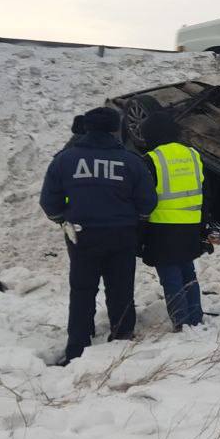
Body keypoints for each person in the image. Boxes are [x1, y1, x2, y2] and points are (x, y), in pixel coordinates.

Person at [39, 107, 157, 363]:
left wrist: (62, 219)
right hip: (122, 235)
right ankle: (122, 335)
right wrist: (136, 222)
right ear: (115, 129)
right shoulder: (131, 161)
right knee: (121, 288)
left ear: (87, 127)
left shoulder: (65, 159)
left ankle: (77, 345)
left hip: (82, 236)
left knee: (82, 290)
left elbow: (49, 201)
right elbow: (148, 202)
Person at [137, 112, 210, 330]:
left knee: (170, 277)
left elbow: (145, 199)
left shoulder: (151, 159)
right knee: (188, 272)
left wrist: (139, 232)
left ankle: (181, 323)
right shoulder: (193, 155)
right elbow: (206, 192)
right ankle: (195, 318)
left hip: (162, 227)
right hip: (190, 224)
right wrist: (203, 225)